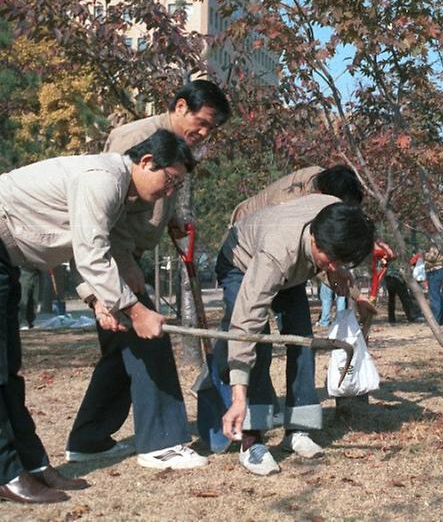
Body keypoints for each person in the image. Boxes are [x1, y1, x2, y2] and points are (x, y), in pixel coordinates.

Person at [0, 129, 194, 503]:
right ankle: (7, 473)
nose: (169, 193)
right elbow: (90, 253)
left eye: (177, 186)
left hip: (7, 260)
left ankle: (33, 464)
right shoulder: (103, 179)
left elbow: (88, 247)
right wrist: (135, 311)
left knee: (8, 371)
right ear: (147, 161)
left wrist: (100, 301)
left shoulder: (118, 191)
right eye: (170, 181)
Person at [65, 79, 230, 470]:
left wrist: (170, 221)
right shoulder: (135, 137)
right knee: (148, 339)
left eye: (212, 129)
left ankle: (87, 439)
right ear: (179, 106)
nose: (204, 133)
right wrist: (122, 269)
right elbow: (108, 206)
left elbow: (153, 196)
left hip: (129, 254)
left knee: (121, 350)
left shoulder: (179, 148)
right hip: (112, 256)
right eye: (202, 122)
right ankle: (162, 442)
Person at [213, 164, 371, 472]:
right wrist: (238, 395)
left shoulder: (337, 216)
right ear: (316, 242)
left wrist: (353, 292)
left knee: (302, 339)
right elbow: (246, 322)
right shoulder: (277, 253)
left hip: (291, 272)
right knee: (259, 341)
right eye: (331, 260)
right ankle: (251, 439)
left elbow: (340, 259)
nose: (335, 266)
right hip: (241, 260)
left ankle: (299, 428)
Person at [424, 245, 443, 325]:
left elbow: (432, 257)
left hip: (435, 271)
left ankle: (435, 320)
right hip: (435, 270)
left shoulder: (435, 241)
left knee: (434, 296)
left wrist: (423, 254)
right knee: (437, 294)